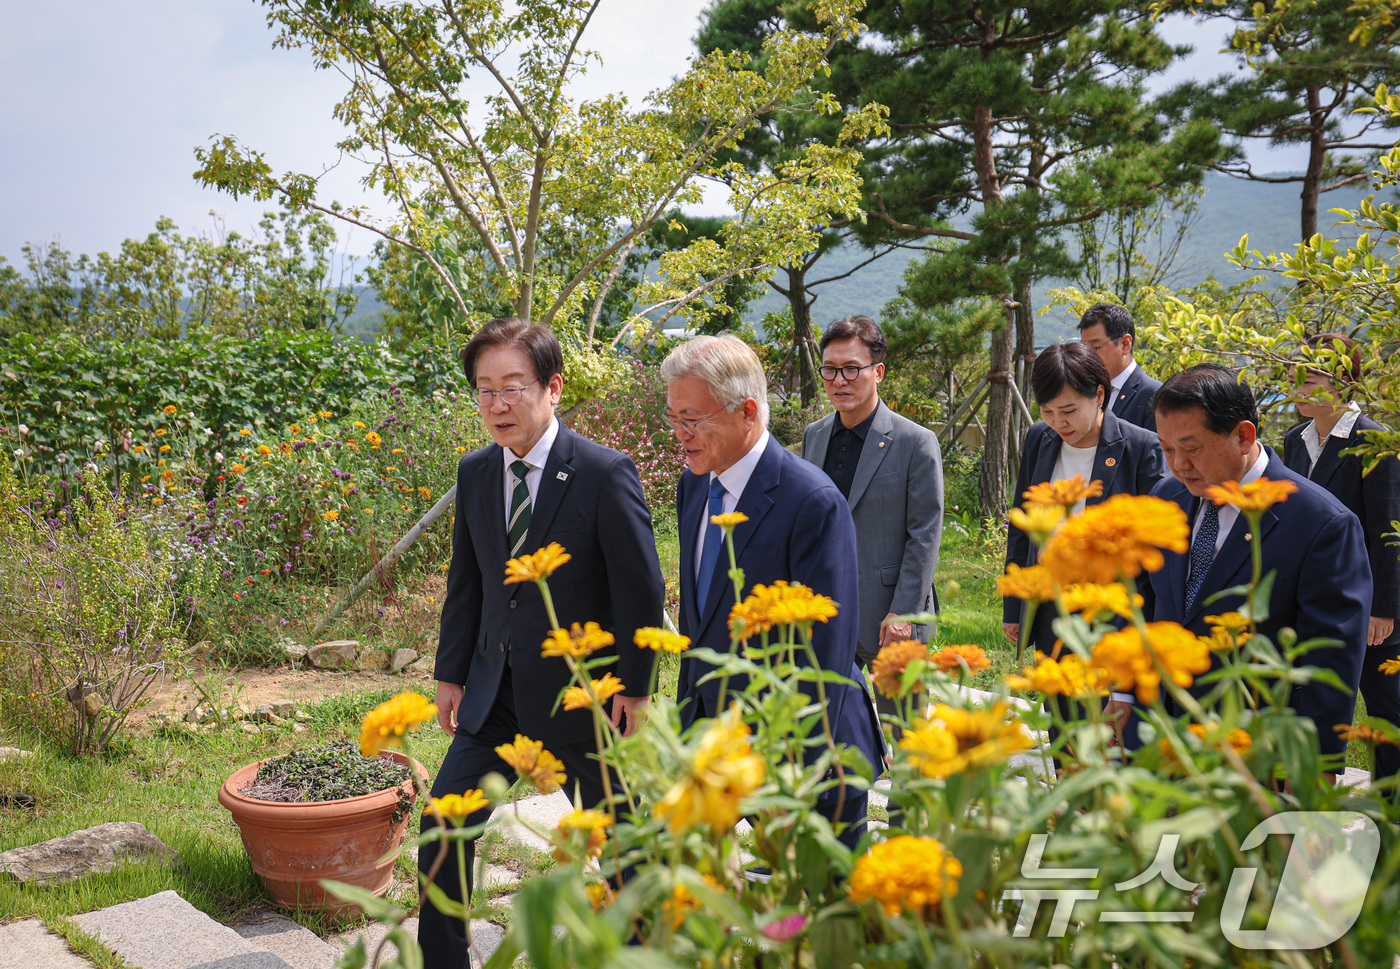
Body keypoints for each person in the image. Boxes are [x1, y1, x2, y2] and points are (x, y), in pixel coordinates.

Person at [421, 317, 665, 968]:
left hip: (582, 698)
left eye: (513, 387)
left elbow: (642, 589)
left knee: (621, 842)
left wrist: (636, 688)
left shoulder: (604, 472)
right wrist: (451, 672)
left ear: (552, 388)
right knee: (444, 824)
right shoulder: (475, 472)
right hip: (495, 696)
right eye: (484, 389)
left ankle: (643, 954)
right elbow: (466, 583)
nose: (498, 404)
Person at [661, 334, 883, 847]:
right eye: (673, 419)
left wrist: (786, 772)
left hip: (803, 755)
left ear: (747, 412)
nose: (680, 435)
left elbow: (824, 652)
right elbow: (700, 619)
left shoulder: (812, 501)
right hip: (711, 742)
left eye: (692, 419)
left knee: (830, 914)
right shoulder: (694, 482)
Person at [1149, 363, 1370, 771]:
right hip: (1162, 737)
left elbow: (1330, 663)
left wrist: (1308, 767)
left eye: (1192, 448)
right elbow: (1150, 604)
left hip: (1257, 755)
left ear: (1243, 435)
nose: (1178, 464)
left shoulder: (1321, 524)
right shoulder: (1167, 498)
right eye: (1166, 449)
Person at [1002, 340, 1165, 747]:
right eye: (1049, 410)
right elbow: (1023, 525)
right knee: (1064, 729)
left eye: (1070, 410)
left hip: (1112, 612)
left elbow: (1153, 548)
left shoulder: (1140, 448)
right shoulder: (1040, 438)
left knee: (1112, 732)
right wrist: (1014, 606)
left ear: (1099, 394)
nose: (1059, 422)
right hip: (1051, 610)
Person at [801, 314, 944, 720]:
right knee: (830, 732)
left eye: (851, 369)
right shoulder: (815, 435)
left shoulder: (915, 442)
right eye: (830, 369)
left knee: (906, 732)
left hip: (890, 617)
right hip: (826, 613)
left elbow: (925, 534)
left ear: (878, 371)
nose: (839, 380)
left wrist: (904, 613)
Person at [1283, 332, 1400, 781]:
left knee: (1385, 706)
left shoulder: (1375, 440)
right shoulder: (1296, 439)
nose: (1297, 387)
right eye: (1294, 376)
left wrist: (1384, 609)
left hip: (1366, 601)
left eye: (1309, 379)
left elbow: (1388, 528)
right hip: (1315, 599)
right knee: (1320, 699)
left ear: (1343, 382)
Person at [1077, 302, 1162, 432]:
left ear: (1125, 344)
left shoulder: (1154, 395)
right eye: (1084, 348)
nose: (1088, 356)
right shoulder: (1084, 390)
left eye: (1095, 347)